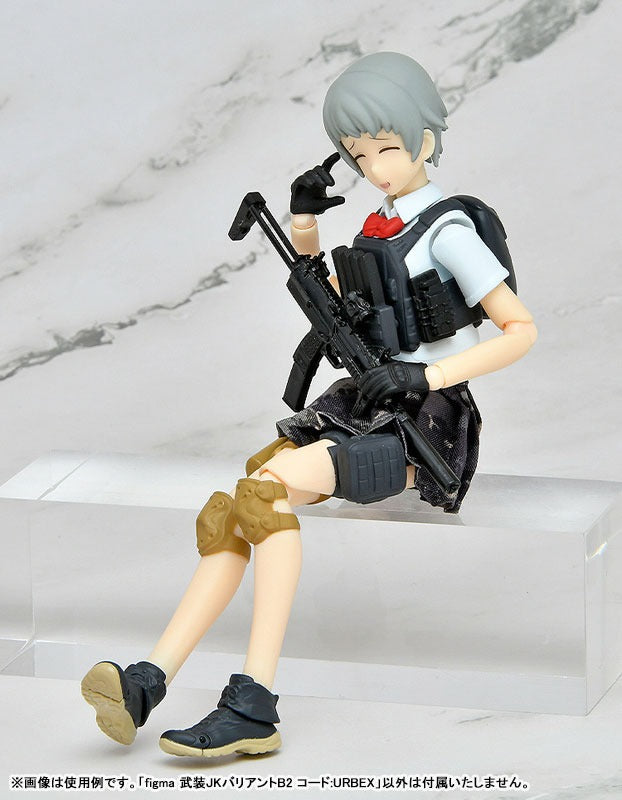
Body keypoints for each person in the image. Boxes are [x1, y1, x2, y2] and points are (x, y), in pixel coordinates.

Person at [81, 51, 536, 759]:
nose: (375, 167)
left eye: (386, 148)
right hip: (364, 400)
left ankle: (253, 704)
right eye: (359, 154)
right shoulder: (380, 227)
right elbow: (340, 297)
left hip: (424, 424)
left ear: (424, 138)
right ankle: (148, 678)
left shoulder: (449, 230)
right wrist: (303, 222)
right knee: (234, 504)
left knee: (264, 494)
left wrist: (426, 376)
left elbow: (520, 331)